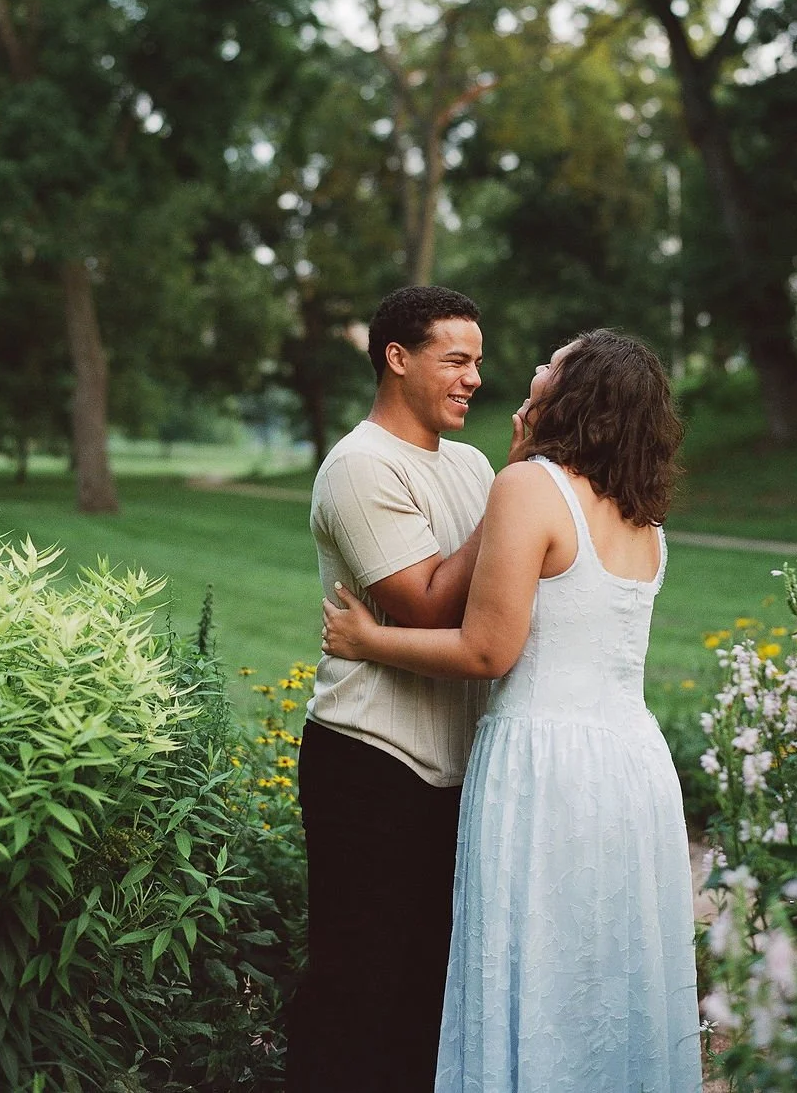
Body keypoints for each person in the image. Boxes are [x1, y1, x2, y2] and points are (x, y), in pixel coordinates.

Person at [322, 329, 703, 1093]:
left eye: (555, 361)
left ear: (578, 393)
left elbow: (489, 651)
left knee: (537, 967)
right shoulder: (643, 517)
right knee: (606, 974)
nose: (535, 367)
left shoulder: (531, 486)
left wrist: (368, 642)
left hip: (545, 763)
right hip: (632, 766)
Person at [286, 285, 514, 1093]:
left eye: (478, 363)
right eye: (456, 360)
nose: (473, 379)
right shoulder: (359, 467)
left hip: (456, 769)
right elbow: (425, 605)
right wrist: (514, 490)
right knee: (358, 985)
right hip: (371, 763)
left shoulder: (474, 465)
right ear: (398, 358)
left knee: (430, 986)